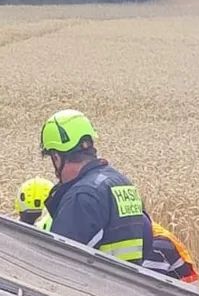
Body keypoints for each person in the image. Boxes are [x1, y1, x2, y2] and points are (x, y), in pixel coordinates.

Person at [39, 109, 152, 265]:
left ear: (57, 157)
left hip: (95, 280)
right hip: (126, 280)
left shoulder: (83, 196)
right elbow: (147, 239)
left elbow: (59, 262)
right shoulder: (123, 183)